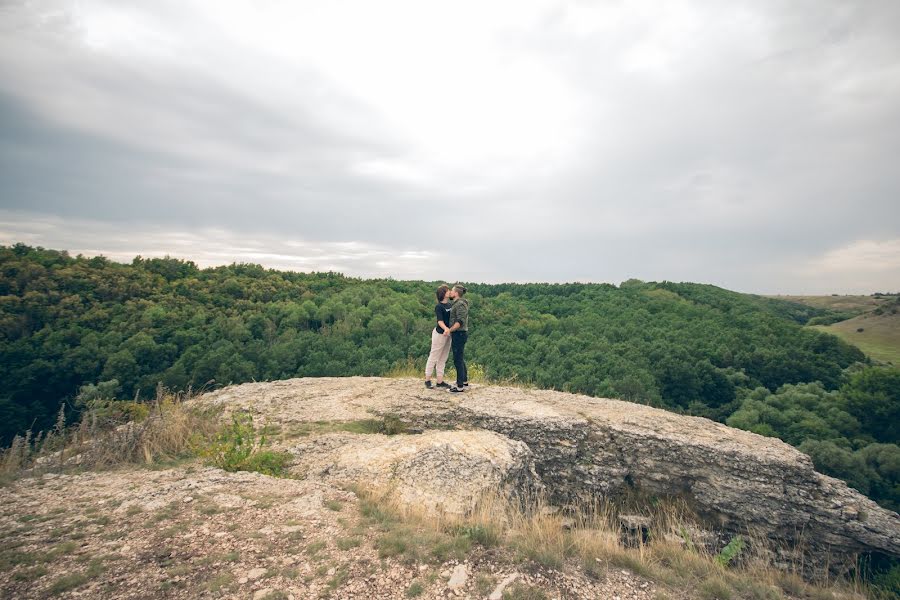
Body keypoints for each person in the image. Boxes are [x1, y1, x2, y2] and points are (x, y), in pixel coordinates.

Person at [424, 285, 453, 389]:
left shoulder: (450, 305)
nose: (449, 292)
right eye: (447, 290)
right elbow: (440, 321)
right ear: (443, 293)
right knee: (434, 356)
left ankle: (440, 381)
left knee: (443, 358)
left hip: (448, 334)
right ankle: (427, 380)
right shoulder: (439, 306)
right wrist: (445, 328)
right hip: (439, 334)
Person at [446, 284, 470, 393]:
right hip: (458, 334)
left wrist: (450, 330)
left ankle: (459, 386)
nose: (450, 292)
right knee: (460, 358)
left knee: (457, 359)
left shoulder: (460, 304)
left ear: (456, 293)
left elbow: (460, 322)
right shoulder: (457, 304)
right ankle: (464, 382)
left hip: (459, 334)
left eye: (451, 291)